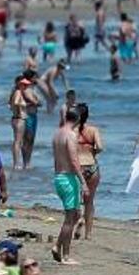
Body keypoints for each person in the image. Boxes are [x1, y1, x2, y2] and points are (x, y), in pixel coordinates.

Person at [51, 107, 86, 265]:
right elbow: (73, 160)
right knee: (70, 219)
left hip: (59, 176)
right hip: (68, 177)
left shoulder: (57, 133)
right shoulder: (70, 135)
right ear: (78, 119)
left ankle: (58, 246)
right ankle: (65, 256)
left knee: (74, 215)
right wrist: (83, 181)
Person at [75, 104, 104, 241]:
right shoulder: (93, 130)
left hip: (77, 167)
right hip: (92, 166)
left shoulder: (71, 131)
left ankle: (79, 218)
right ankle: (88, 234)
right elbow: (100, 147)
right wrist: (92, 152)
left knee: (76, 199)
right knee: (90, 202)